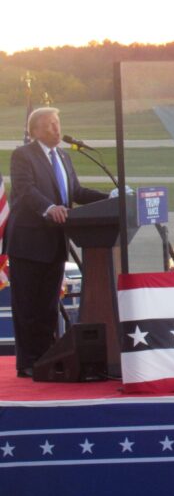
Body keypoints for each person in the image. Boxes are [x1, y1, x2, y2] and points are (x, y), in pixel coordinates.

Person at [5, 107, 108, 378]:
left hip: (54, 242)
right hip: (28, 243)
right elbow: (26, 190)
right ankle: (28, 362)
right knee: (28, 307)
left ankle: (46, 358)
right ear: (35, 130)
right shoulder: (23, 155)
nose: (56, 129)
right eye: (50, 125)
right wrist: (49, 207)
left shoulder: (63, 156)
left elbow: (76, 192)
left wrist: (112, 197)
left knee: (49, 306)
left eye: (57, 123)